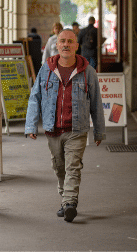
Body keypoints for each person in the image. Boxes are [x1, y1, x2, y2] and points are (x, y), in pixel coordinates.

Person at [25, 29, 105, 223]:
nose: (66, 44)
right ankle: (65, 200)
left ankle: (70, 203)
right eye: (63, 41)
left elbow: (96, 102)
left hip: (77, 129)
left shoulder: (88, 72)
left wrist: (99, 131)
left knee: (73, 167)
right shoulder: (47, 69)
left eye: (70, 41)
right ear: (57, 45)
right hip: (53, 129)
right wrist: (31, 125)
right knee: (59, 167)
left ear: (77, 46)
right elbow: (35, 98)